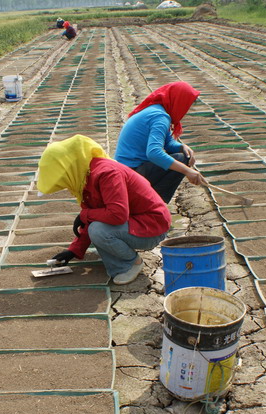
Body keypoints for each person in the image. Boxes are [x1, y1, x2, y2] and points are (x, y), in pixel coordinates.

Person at [37, 135, 171, 285]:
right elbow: (94, 217)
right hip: (135, 223)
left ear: (70, 167)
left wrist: (85, 214)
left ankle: (131, 263)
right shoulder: (85, 177)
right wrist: (74, 250)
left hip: (152, 227)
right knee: (97, 228)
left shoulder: (107, 173)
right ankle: (119, 259)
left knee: (98, 231)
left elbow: (117, 215)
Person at [114, 81, 207, 203]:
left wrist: (181, 147)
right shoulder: (160, 118)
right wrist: (187, 171)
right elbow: (153, 153)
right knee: (182, 159)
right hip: (131, 173)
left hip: (125, 171)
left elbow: (167, 143)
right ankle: (155, 205)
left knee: (182, 155)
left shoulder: (156, 110)